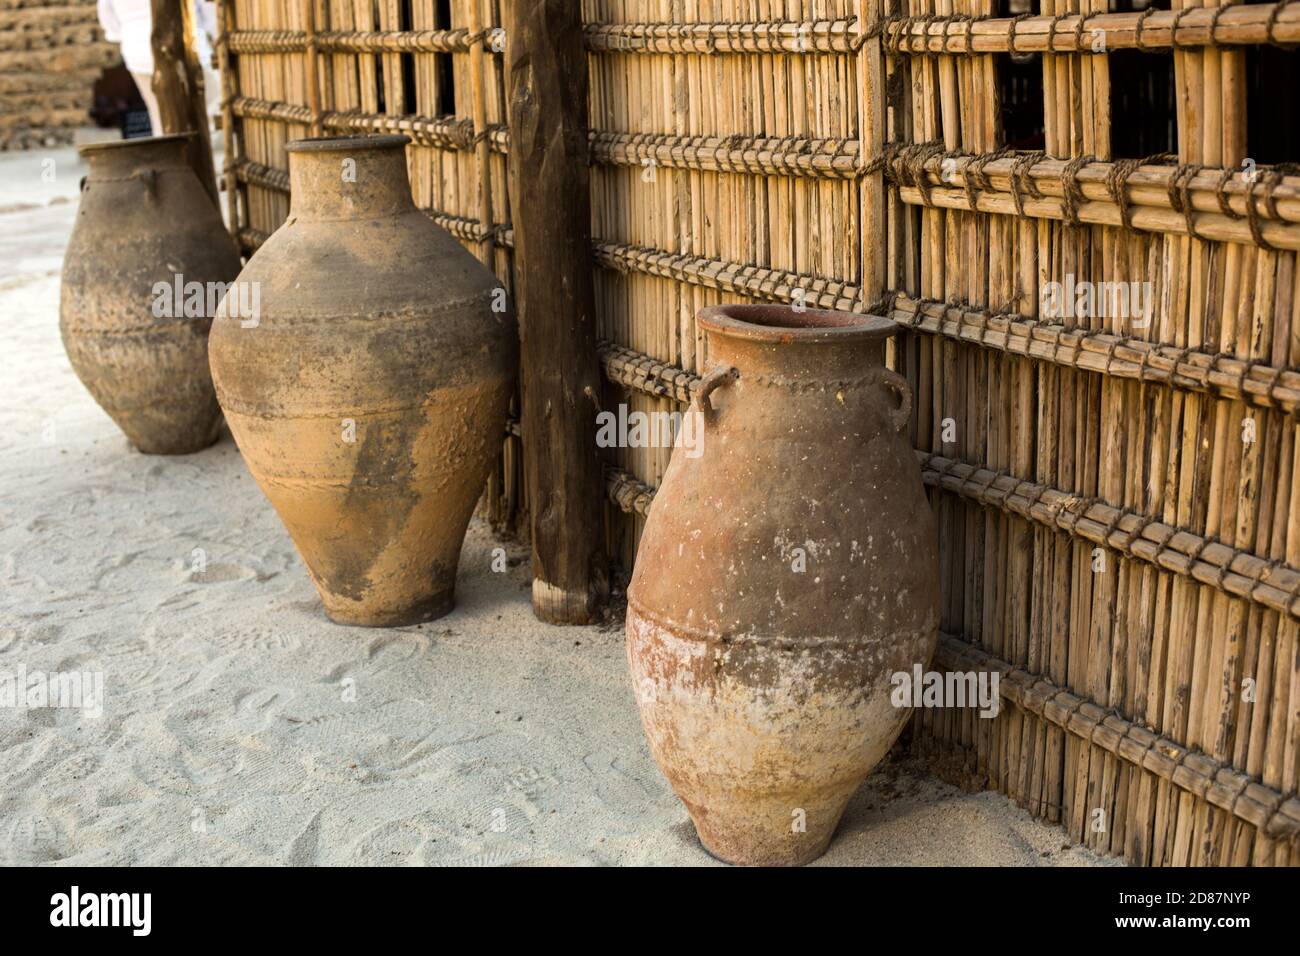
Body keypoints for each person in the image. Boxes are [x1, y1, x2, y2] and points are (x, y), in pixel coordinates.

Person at [96, 0, 161, 135]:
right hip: (160, 43)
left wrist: (126, 32)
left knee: (156, 111)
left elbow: (107, 16)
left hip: (135, 44)